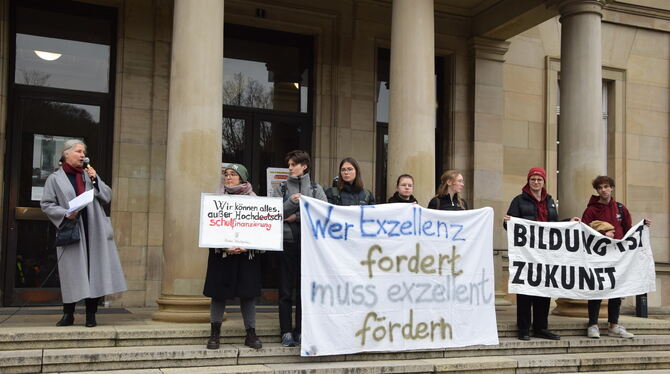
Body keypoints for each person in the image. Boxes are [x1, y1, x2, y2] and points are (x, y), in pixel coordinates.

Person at [40, 139, 126, 327]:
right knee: (71, 272)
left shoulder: (89, 175)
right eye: (78, 151)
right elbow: (46, 204)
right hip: (71, 229)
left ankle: (91, 315)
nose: (82, 155)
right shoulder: (55, 179)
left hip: (93, 228)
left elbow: (107, 196)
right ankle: (68, 314)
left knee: (94, 270)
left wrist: (96, 180)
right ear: (66, 154)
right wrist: (65, 214)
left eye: (83, 152)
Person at [504, 167, 578, 341]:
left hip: (545, 255)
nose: (536, 182)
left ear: (544, 182)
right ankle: (523, 328)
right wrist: (508, 222)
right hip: (527, 254)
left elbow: (554, 226)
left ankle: (541, 327)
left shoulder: (550, 201)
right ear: (528, 181)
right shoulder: (519, 200)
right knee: (525, 291)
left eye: (539, 179)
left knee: (544, 289)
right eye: (533, 179)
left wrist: (568, 222)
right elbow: (510, 225)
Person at [581, 175, 651, 339]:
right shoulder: (591, 210)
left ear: (611, 188)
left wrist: (642, 227)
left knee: (616, 290)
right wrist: (603, 234)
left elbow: (629, 231)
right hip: (598, 255)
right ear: (597, 191)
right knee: (596, 289)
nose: (603, 190)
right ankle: (593, 324)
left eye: (606, 186)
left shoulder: (620, 208)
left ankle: (614, 324)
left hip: (618, 256)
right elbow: (584, 231)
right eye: (600, 188)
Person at [203, 163, 262, 350]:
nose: (228, 177)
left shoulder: (255, 201)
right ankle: (214, 333)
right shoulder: (215, 200)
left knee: (248, 295)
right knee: (218, 294)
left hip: (247, 256)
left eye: (233, 174)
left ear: (242, 178)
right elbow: (209, 229)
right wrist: (225, 246)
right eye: (226, 174)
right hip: (222, 255)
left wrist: (247, 246)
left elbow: (261, 230)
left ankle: (250, 333)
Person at [272, 150, 327, 347]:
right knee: (286, 290)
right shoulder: (281, 187)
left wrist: (295, 217)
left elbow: (322, 214)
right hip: (287, 244)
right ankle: (286, 331)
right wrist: (291, 203)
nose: (290, 168)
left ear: (304, 165)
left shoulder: (315, 188)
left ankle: (302, 330)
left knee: (304, 290)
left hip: (310, 247)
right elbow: (274, 214)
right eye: (289, 165)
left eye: (293, 164)